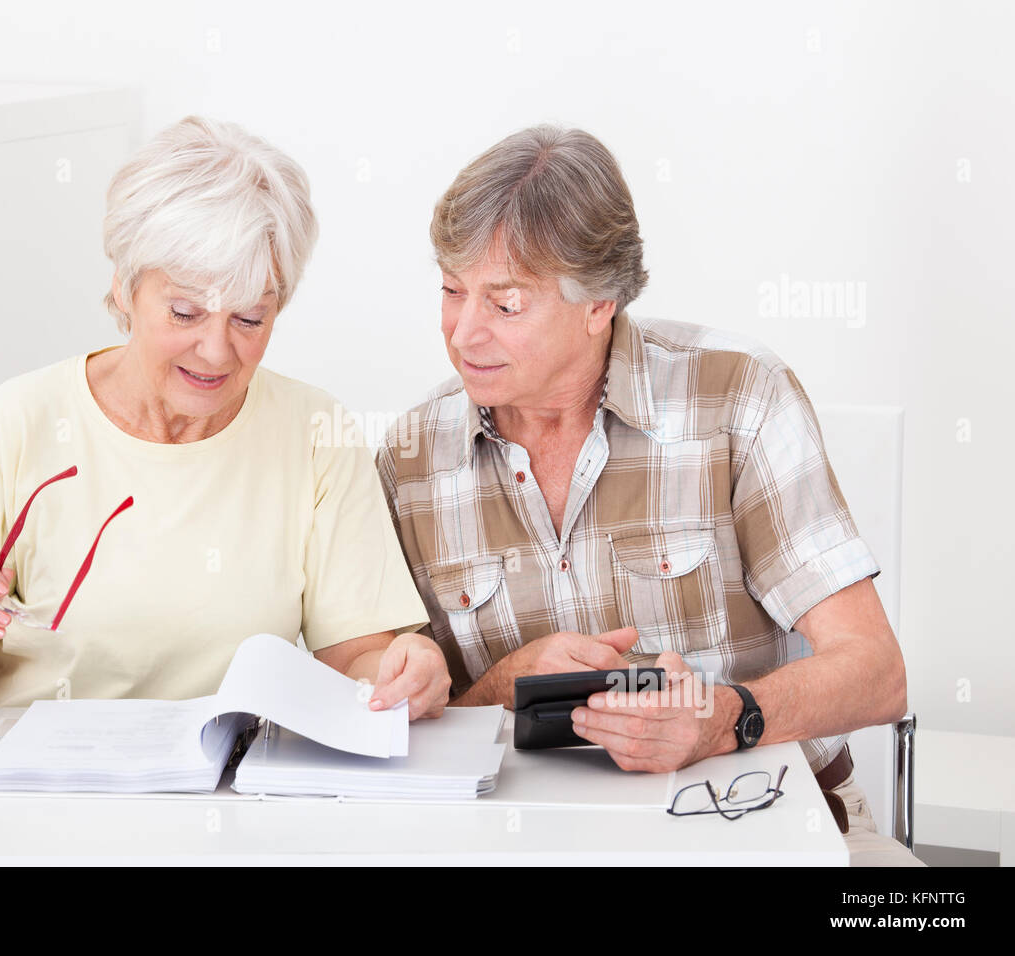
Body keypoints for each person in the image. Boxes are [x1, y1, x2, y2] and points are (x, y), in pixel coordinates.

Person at [376, 124, 920, 865]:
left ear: (599, 302)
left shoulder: (740, 399)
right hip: (520, 845)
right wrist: (502, 685)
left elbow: (877, 672)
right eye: (450, 290)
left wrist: (724, 718)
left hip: (766, 820)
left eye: (505, 304)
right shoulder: (411, 457)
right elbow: (404, 724)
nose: (463, 333)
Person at [0, 116, 449, 726]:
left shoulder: (315, 430)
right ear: (125, 289)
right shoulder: (18, 422)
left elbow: (356, 657)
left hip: (221, 792)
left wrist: (404, 667)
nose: (215, 351)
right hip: (35, 791)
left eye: (250, 319)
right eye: (185, 313)